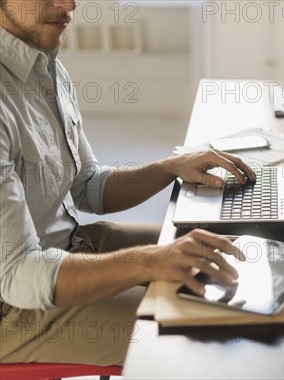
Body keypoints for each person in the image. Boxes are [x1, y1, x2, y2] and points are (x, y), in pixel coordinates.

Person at [0, 0, 256, 366]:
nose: (68, 4)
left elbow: (88, 186)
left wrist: (172, 166)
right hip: (13, 306)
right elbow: (18, 274)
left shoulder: (44, 64)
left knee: (229, 251)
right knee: (210, 331)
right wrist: (147, 262)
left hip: (64, 249)